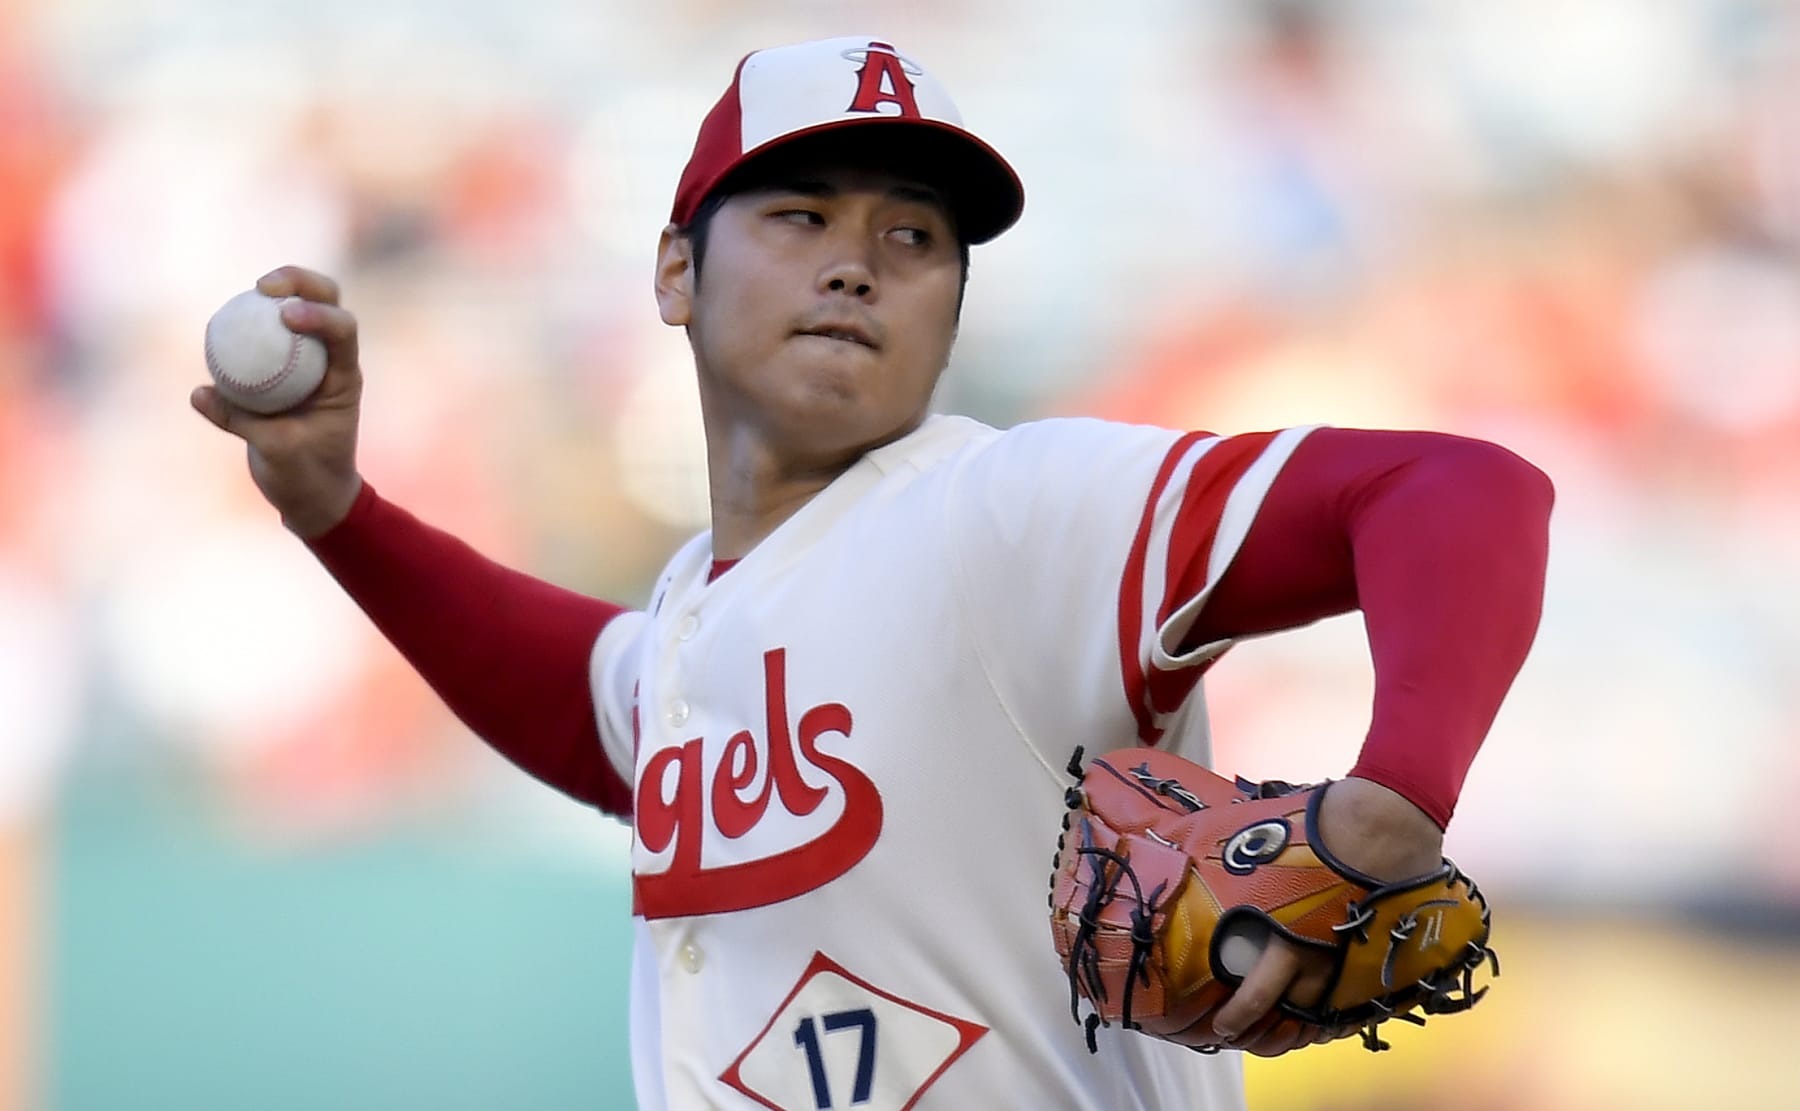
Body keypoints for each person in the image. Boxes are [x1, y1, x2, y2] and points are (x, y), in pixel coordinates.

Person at [190, 35, 1553, 1111]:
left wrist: (1399, 792)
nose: (857, 265)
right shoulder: (692, 616)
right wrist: (338, 512)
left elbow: (1459, 491)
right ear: (675, 270)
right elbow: (587, 698)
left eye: (912, 239)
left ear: (951, 307)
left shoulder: (1003, 513)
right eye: (800, 213)